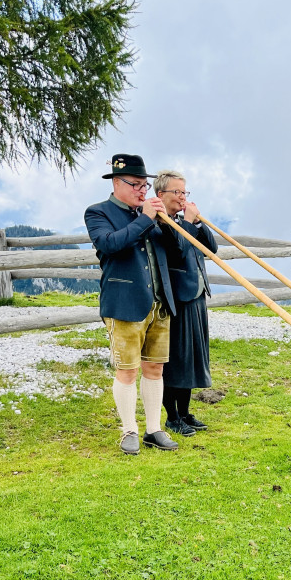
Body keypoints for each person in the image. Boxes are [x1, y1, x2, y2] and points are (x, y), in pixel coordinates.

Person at [84, 153, 182, 454]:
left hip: (158, 302)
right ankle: (129, 430)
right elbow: (110, 245)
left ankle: (154, 429)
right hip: (125, 302)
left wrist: (165, 221)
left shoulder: (151, 214)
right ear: (117, 182)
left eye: (145, 185)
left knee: (155, 368)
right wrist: (145, 219)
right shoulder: (98, 212)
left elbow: (177, 252)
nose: (143, 190)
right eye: (136, 184)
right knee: (127, 370)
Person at [153, 169, 218, 436]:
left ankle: (186, 412)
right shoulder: (160, 222)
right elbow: (178, 248)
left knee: (192, 357)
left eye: (184, 192)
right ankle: (172, 416)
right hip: (178, 297)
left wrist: (199, 222)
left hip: (197, 295)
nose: (182, 197)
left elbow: (211, 248)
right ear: (161, 194)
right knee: (177, 359)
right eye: (177, 192)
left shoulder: (184, 220)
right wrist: (189, 223)